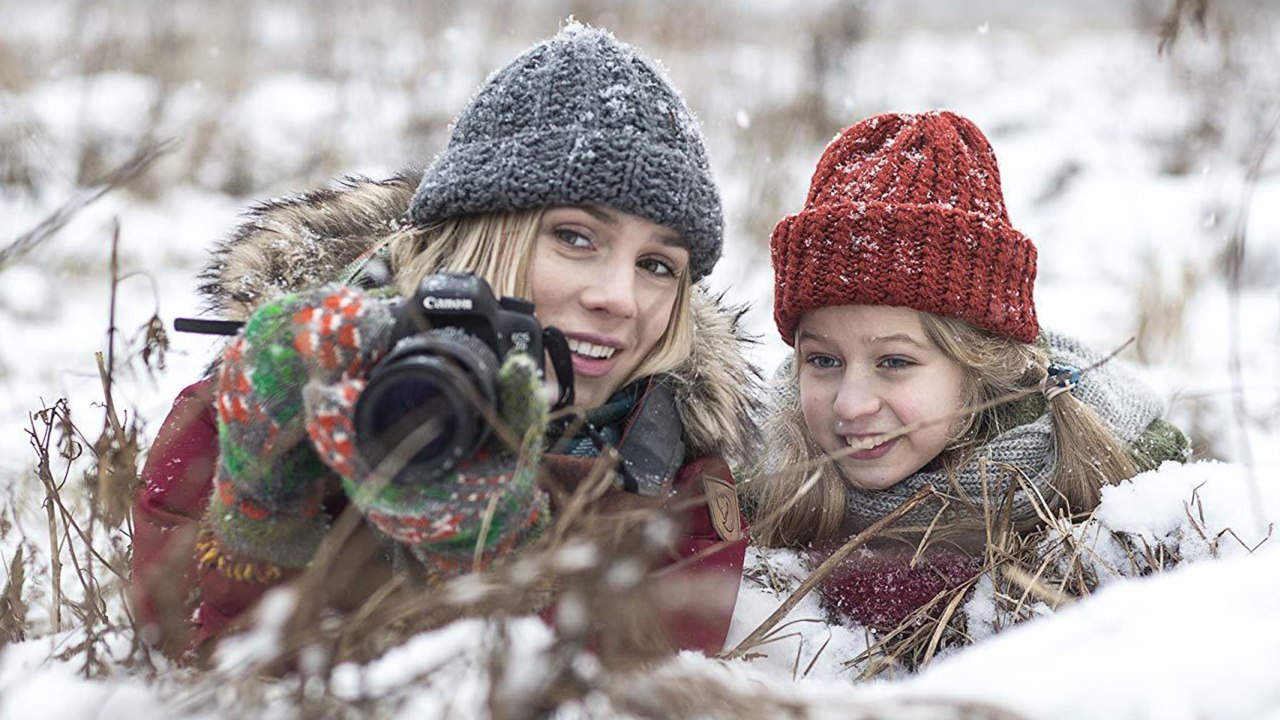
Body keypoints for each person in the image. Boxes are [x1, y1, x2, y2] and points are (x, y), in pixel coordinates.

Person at [131, 23, 758, 664]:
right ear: (479, 238)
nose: (620, 298)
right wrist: (266, 502)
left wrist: (488, 552)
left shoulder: (677, 471)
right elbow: (189, 653)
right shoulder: (273, 391)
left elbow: (629, 679)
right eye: (575, 237)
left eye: (658, 265)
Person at [742, 110, 1190, 631]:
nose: (850, 404)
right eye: (823, 360)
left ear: (980, 366)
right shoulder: (754, 476)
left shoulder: (1122, 490)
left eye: (894, 362)